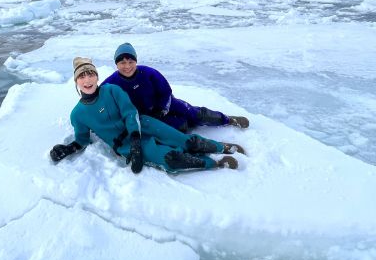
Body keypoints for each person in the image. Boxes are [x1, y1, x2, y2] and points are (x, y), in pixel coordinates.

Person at [50, 57, 245, 174]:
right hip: (124, 144)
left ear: (96, 76)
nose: (87, 79)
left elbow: (130, 112)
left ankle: (222, 147)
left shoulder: (111, 90)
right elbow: (82, 140)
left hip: (142, 124)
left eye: (90, 74)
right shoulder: (78, 114)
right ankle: (215, 163)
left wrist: (135, 135)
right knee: (170, 159)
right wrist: (67, 149)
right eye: (82, 76)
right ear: (76, 81)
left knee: (182, 139)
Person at [101, 42, 250, 133]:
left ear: (136, 61)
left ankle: (226, 120)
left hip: (166, 105)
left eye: (130, 61)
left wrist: (162, 109)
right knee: (180, 127)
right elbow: (97, 100)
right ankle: (187, 124)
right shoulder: (111, 83)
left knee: (194, 113)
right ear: (116, 64)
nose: (127, 66)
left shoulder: (148, 72)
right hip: (146, 116)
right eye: (122, 63)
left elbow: (166, 92)